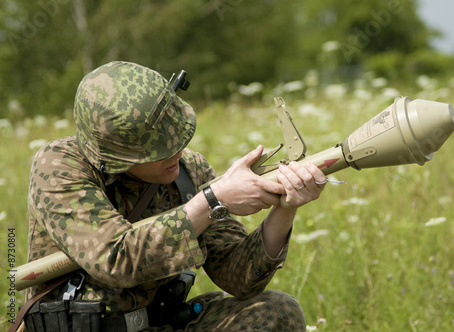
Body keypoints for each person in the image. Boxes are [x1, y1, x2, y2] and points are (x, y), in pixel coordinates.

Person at [25, 61, 327, 331]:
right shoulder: (59, 166)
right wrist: (211, 201)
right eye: (158, 150)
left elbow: (239, 279)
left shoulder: (188, 170)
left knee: (277, 311)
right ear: (112, 156)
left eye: (178, 138)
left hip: (163, 322)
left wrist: (284, 210)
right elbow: (116, 258)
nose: (176, 152)